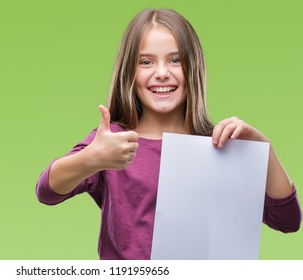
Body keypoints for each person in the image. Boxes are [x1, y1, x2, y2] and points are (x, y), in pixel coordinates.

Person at [35, 9, 301, 260]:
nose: (162, 73)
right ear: (130, 72)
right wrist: (90, 159)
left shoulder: (219, 145)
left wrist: (262, 150)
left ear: (193, 68)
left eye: (175, 60)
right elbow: (47, 191)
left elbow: (288, 221)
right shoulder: (114, 142)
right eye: (146, 62)